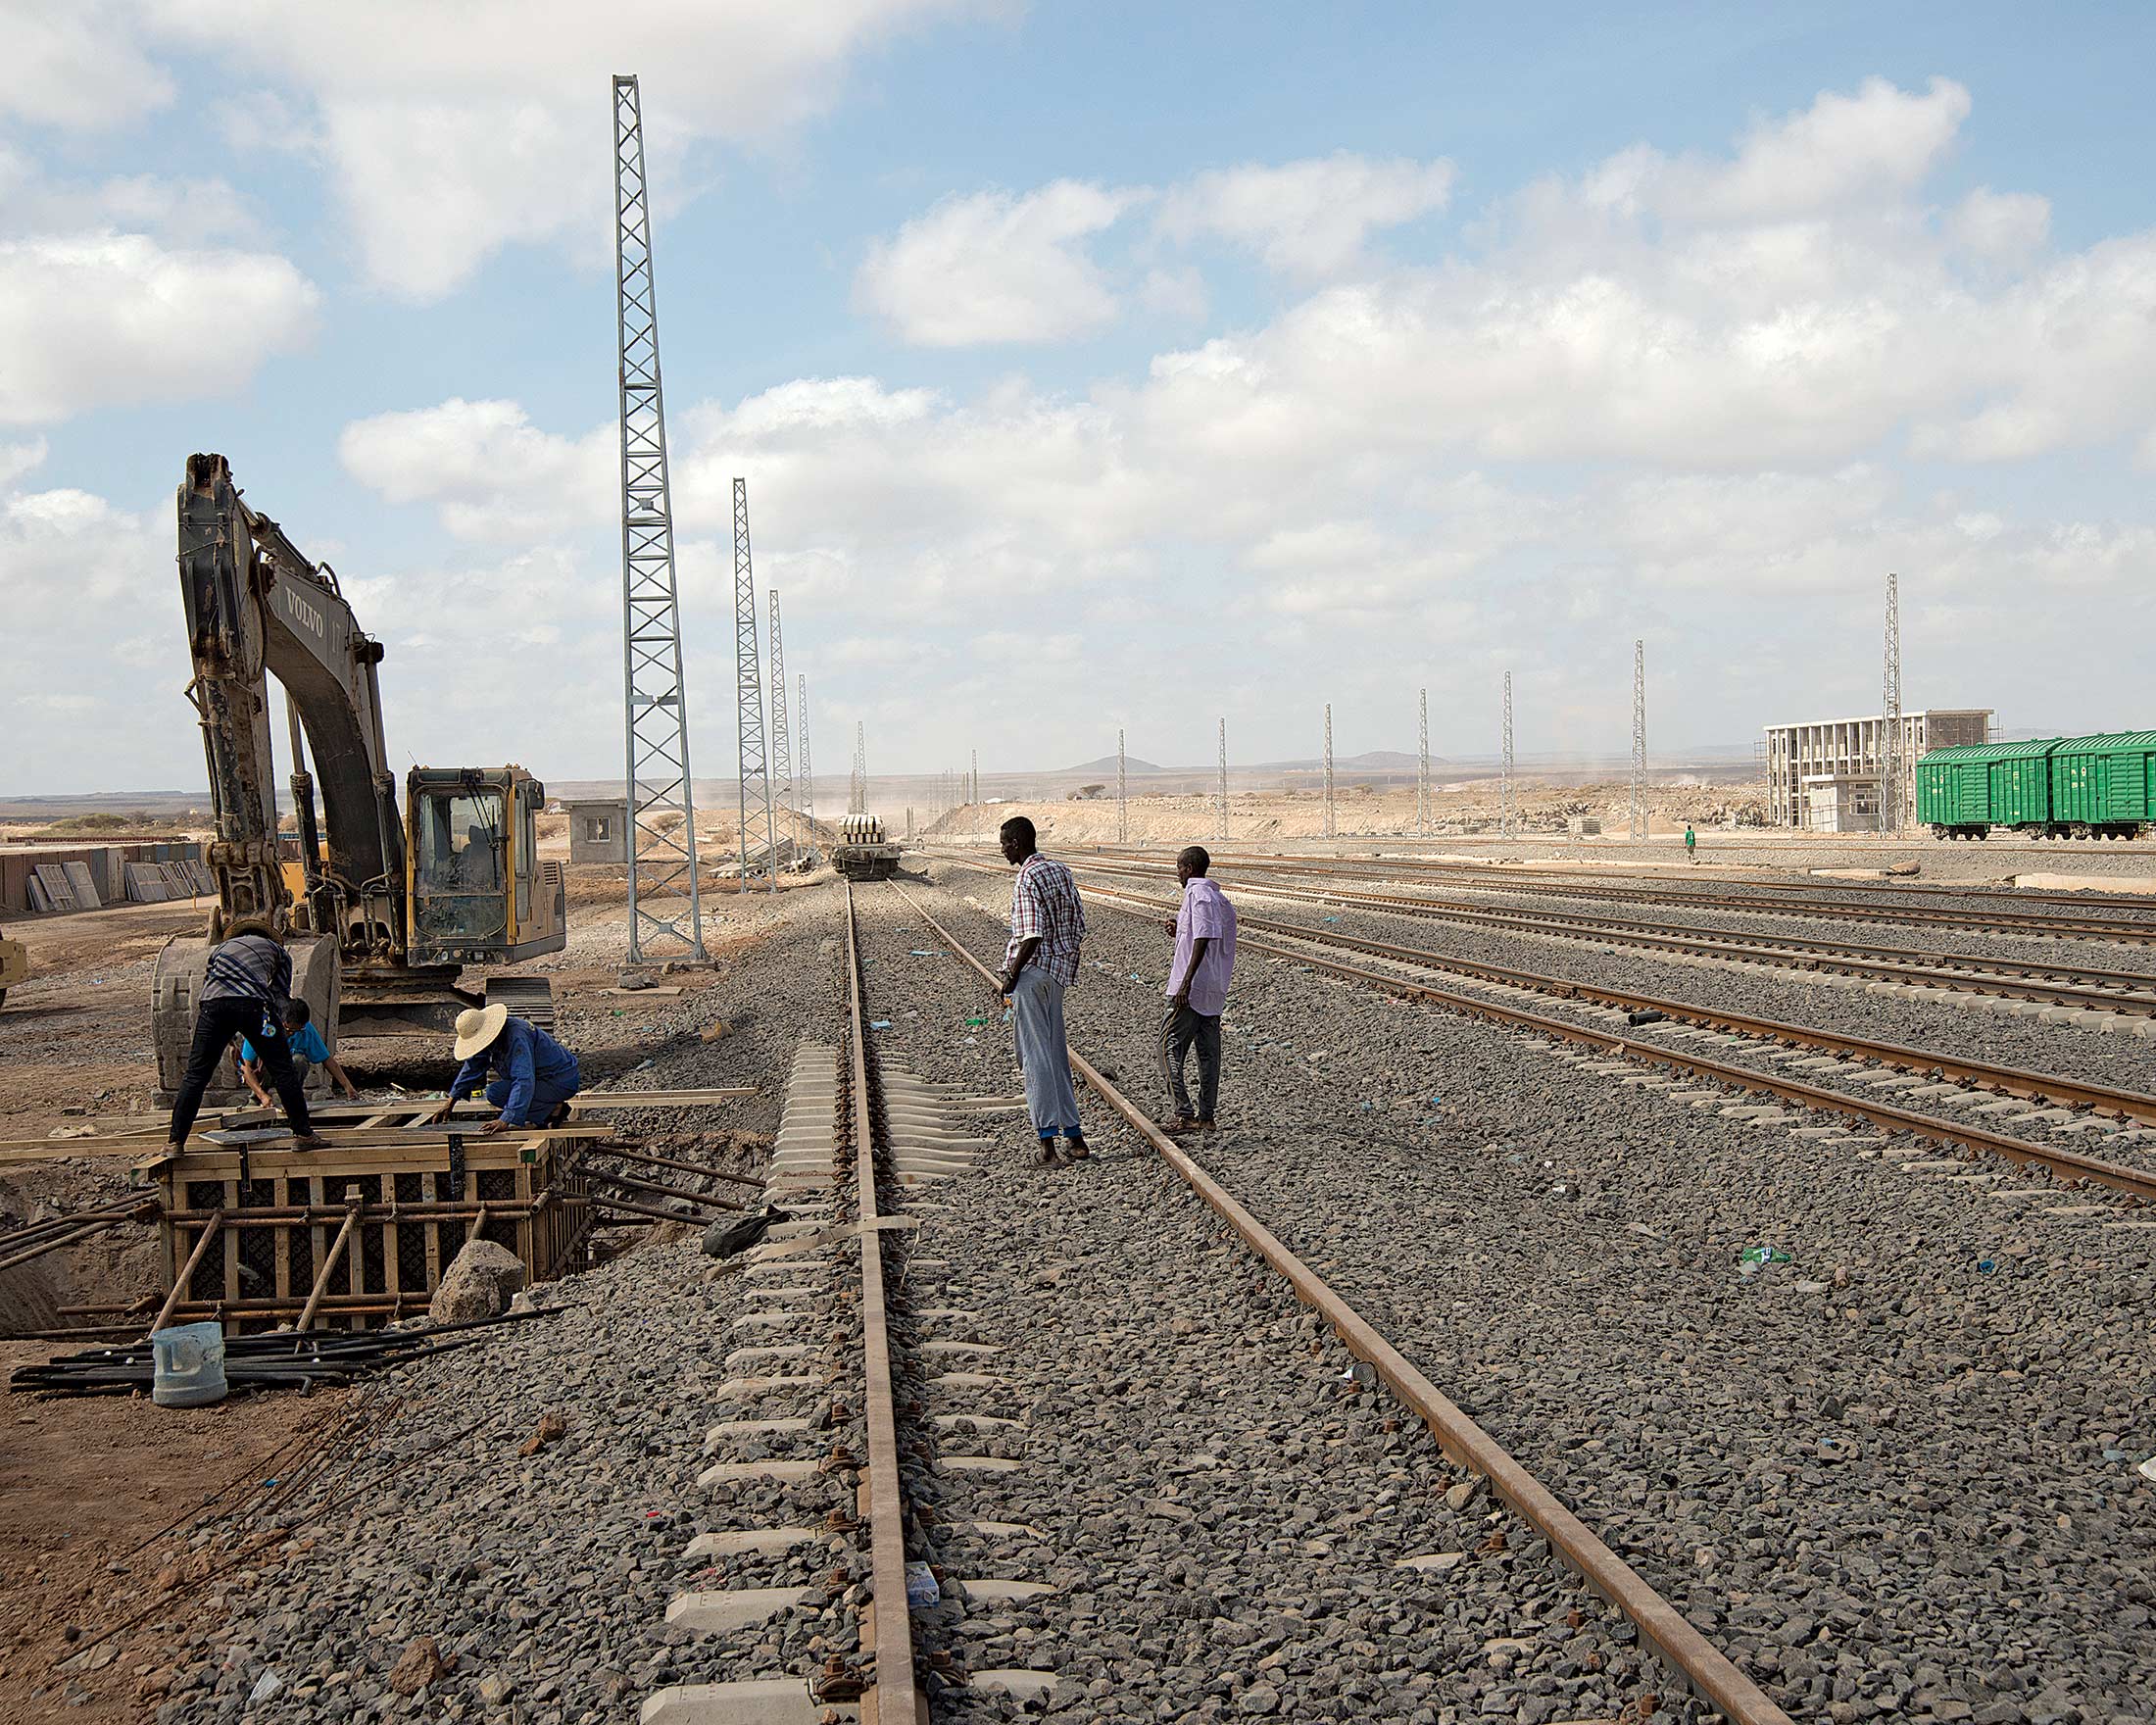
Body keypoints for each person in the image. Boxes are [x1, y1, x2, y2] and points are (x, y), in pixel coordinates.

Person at [167, 918, 326, 1152]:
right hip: (254, 1005)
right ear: (268, 937)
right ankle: (303, 1135)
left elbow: (211, 988)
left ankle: (175, 1142)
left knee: (196, 1075)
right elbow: (279, 996)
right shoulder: (279, 952)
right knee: (284, 1071)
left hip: (213, 1008)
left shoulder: (219, 949)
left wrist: (230, 1040)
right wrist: (275, 1035)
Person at [993, 816, 1089, 1166]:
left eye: (1004, 843)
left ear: (1017, 843)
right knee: (1055, 1053)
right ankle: (1075, 1139)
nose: (1002, 849)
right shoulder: (1060, 869)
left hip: (1032, 974)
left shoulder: (1027, 876)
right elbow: (1079, 924)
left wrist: (1011, 976)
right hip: (1057, 974)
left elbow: (1031, 935)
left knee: (1034, 1057)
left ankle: (1047, 1145)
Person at [1157, 846, 1236, 1133]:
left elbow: (1203, 935)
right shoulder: (1219, 898)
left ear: (1189, 868)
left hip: (1192, 988)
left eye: (1179, 867)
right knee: (1208, 1054)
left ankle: (1184, 1113)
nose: (1177, 872)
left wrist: (1185, 982)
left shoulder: (1197, 893)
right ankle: (1207, 1117)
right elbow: (1202, 934)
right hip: (1214, 988)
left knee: (1167, 1047)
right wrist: (1178, 928)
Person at [429, 1005, 580, 1135]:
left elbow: (523, 1080)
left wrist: (505, 1120)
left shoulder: (516, 1036)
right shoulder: (492, 1040)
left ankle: (555, 1109)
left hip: (559, 1080)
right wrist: (450, 1101)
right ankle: (547, 1112)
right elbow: (472, 1067)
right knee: (494, 1093)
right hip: (542, 1079)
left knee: (503, 1094)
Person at [237, 1000, 360, 1106]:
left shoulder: (306, 1030)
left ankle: (291, 1097)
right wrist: (261, 1095)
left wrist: (347, 1086)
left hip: (287, 1072)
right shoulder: (263, 1028)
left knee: (299, 1061)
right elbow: (245, 1067)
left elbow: (326, 1059)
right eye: (288, 1030)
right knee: (269, 1060)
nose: (291, 1034)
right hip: (265, 1072)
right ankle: (256, 1098)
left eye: (296, 1030)